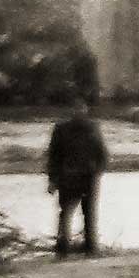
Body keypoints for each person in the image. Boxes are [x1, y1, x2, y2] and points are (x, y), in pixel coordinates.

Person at [46, 95, 108, 258]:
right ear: (71, 111)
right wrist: (52, 180)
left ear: (86, 110)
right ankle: (63, 247)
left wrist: (98, 172)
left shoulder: (93, 128)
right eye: (75, 108)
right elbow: (53, 156)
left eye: (81, 108)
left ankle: (91, 247)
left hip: (88, 177)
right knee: (66, 213)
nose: (79, 111)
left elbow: (102, 154)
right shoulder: (61, 129)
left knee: (89, 213)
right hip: (67, 178)